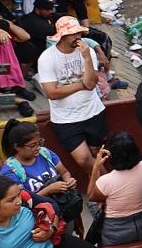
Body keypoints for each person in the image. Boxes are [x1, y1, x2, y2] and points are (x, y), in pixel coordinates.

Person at [37, 16, 105, 174]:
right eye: (73, 34)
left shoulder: (86, 52)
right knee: (83, 159)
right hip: (66, 119)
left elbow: (92, 82)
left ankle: (101, 192)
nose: (78, 37)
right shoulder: (47, 58)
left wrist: (87, 57)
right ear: (62, 36)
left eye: (79, 33)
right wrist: (81, 85)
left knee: (97, 154)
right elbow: (52, 93)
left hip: (93, 112)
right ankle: (109, 185)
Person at [88, 132, 142, 246]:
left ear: (112, 155)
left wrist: (96, 166)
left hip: (116, 233)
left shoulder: (106, 181)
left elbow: (91, 196)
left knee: (92, 204)